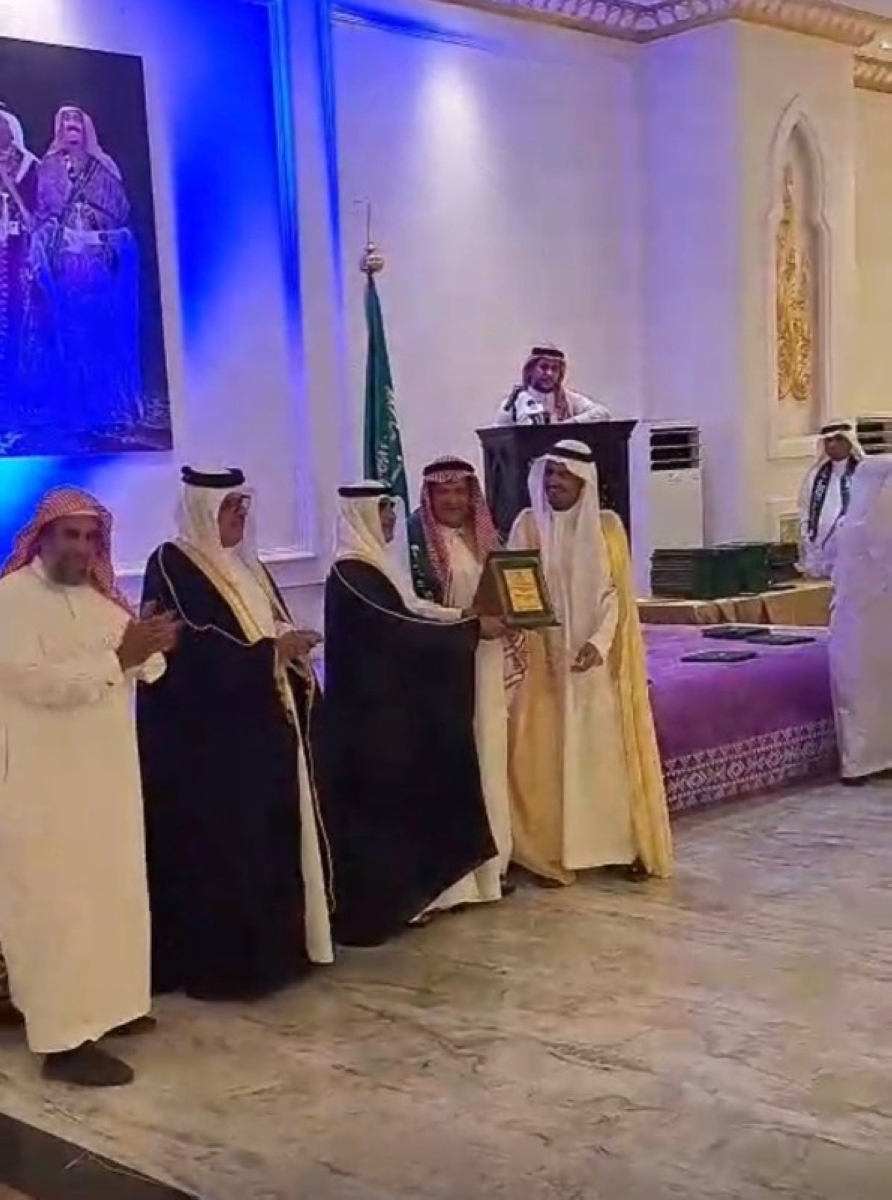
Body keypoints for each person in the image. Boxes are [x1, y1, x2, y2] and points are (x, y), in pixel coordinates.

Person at [0, 488, 178, 1087]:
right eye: (69, 535)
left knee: (112, 897)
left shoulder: (100, 599)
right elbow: (35, 683)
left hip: (107, 784)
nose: (80, 547)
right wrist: (120, 659)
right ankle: (62, 1040)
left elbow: (143, 665)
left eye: (89, 537)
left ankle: (109, 1008)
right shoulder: (10, 600)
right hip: (43, 789)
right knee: (58, 910)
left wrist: (153, 646)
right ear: (43, 537)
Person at [137, 466, 333, 1000]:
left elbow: (267, 624)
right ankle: (233, 967)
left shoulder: (248, 566)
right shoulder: (171, 562)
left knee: (270, 840)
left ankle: (279, 952)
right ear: (203, 510)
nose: (239, 517)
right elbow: (189, 646)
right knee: (226, 850)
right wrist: (271, 653)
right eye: (229, 508)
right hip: (209, 744)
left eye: (243, 508)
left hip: (262, 726)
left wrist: (287, 641)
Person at [323, 481, 502, 946]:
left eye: (390, 509)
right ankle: (380, 910)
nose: (389, 519)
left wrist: (461, 618)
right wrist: (469, 630)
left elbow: (414, 609)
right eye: (382, 510)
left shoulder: (378, 566)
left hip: (393, 713)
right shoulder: (350, 572)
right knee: (378, 819)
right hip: (369, 722)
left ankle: (410, 899)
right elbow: (397, 628)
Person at [508, 440, 672, 885]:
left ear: (584, 481)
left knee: (601, 756)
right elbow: (515, 587)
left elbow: (616, 597)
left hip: (595, 665)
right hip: (544, 663)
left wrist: (598, 643)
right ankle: (550, 853)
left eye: (564, 474)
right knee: (547, 758)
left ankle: (616, 848)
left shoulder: (607, 528)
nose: (555, 482)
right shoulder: (528, 525)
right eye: (550, 473)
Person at [407, 457, 526, 907]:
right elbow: (413, 607)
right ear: (429, 496)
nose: (453, 500)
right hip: (444, 667)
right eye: (444, 491)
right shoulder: (415, 548)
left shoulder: (486, 540)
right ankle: (456, 877)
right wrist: (467, 621)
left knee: (490, 757)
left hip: (487, 663)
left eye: (460, 491)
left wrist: (517, 613)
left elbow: (509, 591)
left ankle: (493, 868)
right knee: (457, 763)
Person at [31, 106, 141, 442]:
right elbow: (42, 213)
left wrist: (96, 232)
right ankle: (74, 410)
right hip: (65, 264)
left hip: (97, 262)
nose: (70, 126)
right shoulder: (48, 167)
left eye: (75, 122)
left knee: (100, 333)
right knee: (69, 333)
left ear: (85, 129)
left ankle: (106, 410)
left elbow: (120, 212)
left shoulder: (104, 168)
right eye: (65, 122)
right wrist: (53, 234)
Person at [829, 455, 892, 785]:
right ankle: (857, 764)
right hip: (859, 624)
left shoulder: (851, 524)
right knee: (858, 695)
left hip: (874, 623)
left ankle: (878, 758)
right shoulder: (858, 529)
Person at [0, 105, 38, 442]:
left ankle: (13, 407)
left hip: (15, 251)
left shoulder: (29, 166)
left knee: (13, 324)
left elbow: (39, 209)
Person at [798, 421, 864, 580]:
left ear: (850, 442)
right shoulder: (815, 475)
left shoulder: (864, 473)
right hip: (820, 553)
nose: (832, 444)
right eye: (828, 440)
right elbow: (805, 511)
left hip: (855, 554)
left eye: (838, 439)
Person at [494, 345, 610, 426]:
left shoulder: (569, 399)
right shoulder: (513, 403)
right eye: (544, 367)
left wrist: (569, 424)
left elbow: (602, 413)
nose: (549, 373)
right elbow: (497, 438)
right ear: (531, 369)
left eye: (554, 369)